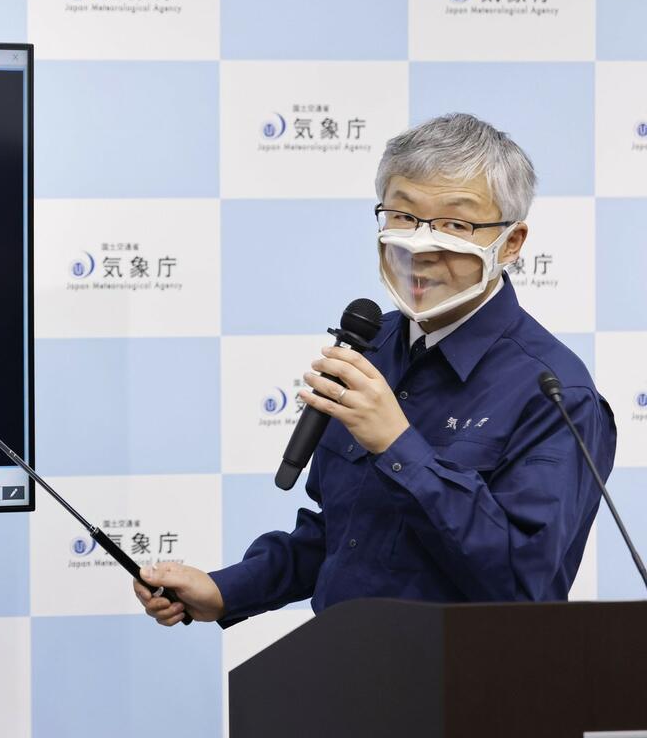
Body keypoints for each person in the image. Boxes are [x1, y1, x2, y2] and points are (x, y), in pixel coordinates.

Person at [134, 113, 617, 628]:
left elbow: (524, 583)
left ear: (512, 242)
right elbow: (343, 534)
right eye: (404, 216)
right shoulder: (370, 345)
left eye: (455, 224)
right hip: (343, 663)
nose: (423, 247)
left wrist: (399, 447)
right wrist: (226, 590)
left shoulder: (555, 392)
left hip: (468, 672)